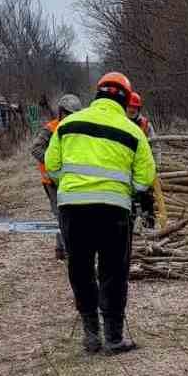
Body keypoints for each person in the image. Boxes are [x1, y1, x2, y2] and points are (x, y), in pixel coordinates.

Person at [44, 71, 156, 355]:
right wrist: (122, 190)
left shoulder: (68, 124)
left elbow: (52, 165)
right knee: (113, 273)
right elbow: (144, 179)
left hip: (72, 209)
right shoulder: (133, 132)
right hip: (113, 212)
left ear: (98, 94)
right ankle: (114, 338)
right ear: (125, 99)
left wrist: (74, 186)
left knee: (80, 270)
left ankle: (91, 335)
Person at [30, 93, 81, 260]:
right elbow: (35, 148)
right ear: (60, 112)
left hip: (69, 178)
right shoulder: (51, 129)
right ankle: (67, 250)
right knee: (61, 214)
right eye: (66, 113)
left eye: (72, 114)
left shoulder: (78, 129)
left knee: (68, 214)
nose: (68, 117)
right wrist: (53, 163)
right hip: (51, 180)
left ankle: (61, 248)